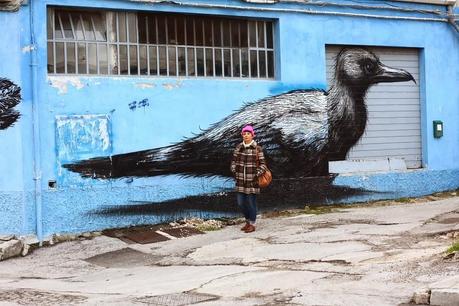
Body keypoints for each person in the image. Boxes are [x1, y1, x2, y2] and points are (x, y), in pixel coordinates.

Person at [230, 125, 268, 233]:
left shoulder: (257, 149)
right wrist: (234, 170)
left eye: (248, 134)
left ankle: (252, 224)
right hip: (240, 180)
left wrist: (256, 174)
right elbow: (233, 161)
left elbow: (263, 164)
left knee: (251, 203)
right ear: (242, 135)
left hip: (252, 181)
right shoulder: (238, 147)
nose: (246, 136)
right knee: (241, 203)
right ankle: (247, 221)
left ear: (252, 135)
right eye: (244, 134)